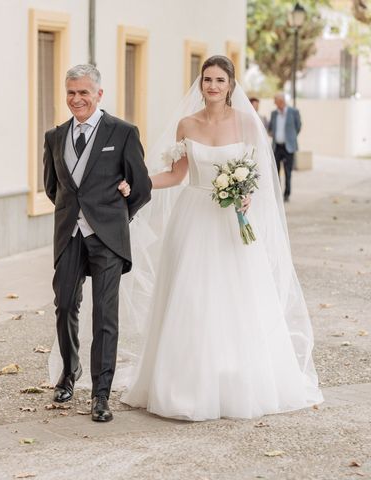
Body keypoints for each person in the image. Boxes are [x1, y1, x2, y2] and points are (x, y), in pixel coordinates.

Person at [116, 56, 322, 421]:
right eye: (207, 79)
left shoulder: (246, 123)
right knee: (191, 297)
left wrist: (247, 195)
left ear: (231, 86)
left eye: (219, 80)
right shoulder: (187, 124)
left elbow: (260, 177)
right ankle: (186, 383)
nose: (212, 85)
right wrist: (138, 185)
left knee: (236, 297)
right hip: (193, 218)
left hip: (231, 222)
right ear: (200, 84)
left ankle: (235, 380)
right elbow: (177, 174)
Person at [42, 64, 152, 422]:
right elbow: (53, 188)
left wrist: (117, 212)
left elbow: (141, 187)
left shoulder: (122, 132)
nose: (77, 99)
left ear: (99, 94)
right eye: (71, 92)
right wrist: (73, 214)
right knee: (64, 306)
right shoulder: (55, 136)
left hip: (107, 238)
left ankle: (101, 394)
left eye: (84, 92)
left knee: (105, 315)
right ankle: (68, 374)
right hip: (69, 236)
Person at [268, 92, 301, 202]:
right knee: (275, 173)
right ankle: (277, 194)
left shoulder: (293, 112)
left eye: (275, 101)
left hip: (289, 147)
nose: (274, 103)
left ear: (281, 101)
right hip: (277, 147)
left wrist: (291, 138)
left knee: (288, 172)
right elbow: (270, 128)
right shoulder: (274, 114)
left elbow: (298, 127)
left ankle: (287, 194)